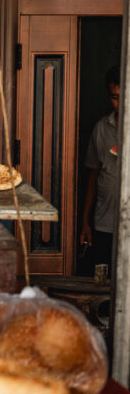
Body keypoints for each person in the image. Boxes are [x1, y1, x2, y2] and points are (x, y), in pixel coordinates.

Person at [79, 66, 120, 277]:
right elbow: (92, 178)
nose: (120, 104)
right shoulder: (101, 129)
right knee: (101, 282)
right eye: (114, 97)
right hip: (103, 223)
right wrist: (86, 222)